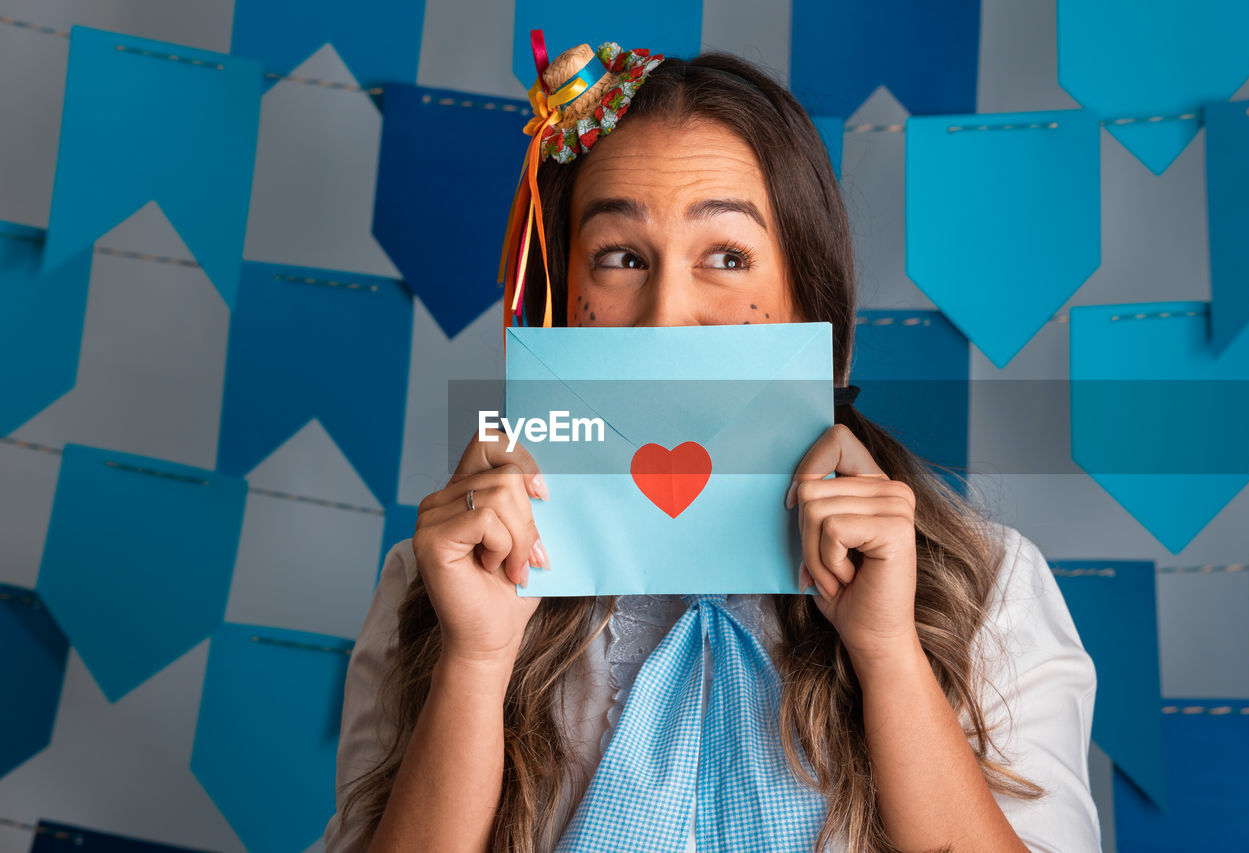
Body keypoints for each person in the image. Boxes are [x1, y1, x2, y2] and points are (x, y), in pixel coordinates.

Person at [322, 37, 1102, 853]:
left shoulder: (987, 588)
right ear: (560, 294)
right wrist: (475, 666)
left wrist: (890, 654)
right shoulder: (437, 587)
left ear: (809, 294)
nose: (668, 314)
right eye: (621, 257)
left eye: (727, 256)